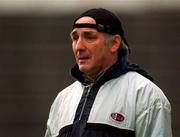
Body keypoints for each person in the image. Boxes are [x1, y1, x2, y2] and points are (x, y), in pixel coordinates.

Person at [45, 8, 172, 137]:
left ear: (114, 43)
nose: (78, 47)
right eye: (75, 38)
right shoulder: (62, 99)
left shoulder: (145, 95)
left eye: (89, 37)